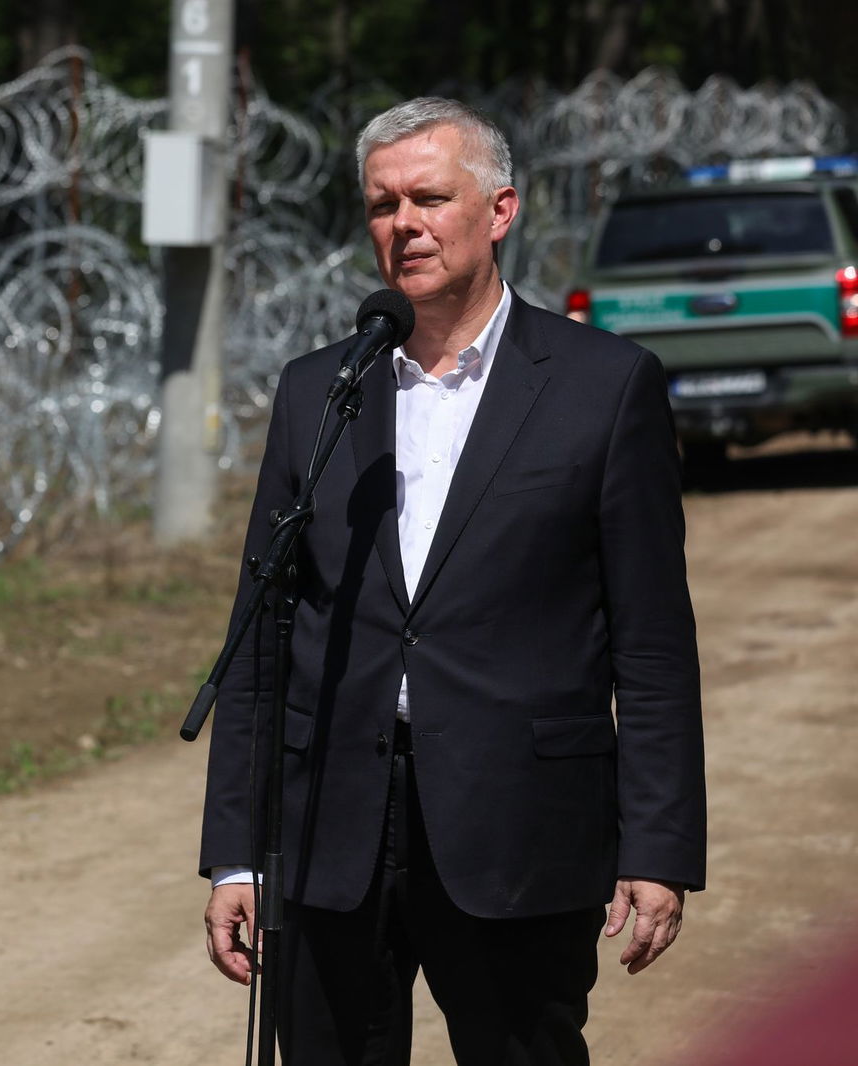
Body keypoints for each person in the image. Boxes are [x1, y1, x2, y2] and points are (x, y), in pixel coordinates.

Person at [198, 97, 706, 1066]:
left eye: (429, 197)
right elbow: (261, 635)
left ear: (500, 210)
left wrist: (657, 846)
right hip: (332, 829)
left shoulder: (603, 386)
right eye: (382, 204)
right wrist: (234, 852)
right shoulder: (319, 391)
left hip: (519, 826)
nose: (405, 225)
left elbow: (649, 644)